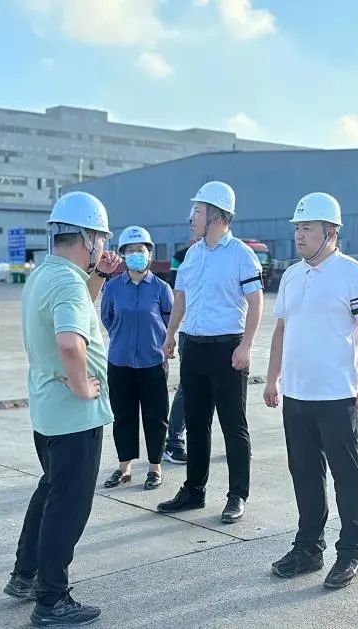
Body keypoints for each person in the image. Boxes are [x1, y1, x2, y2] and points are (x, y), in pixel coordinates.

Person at [4, 191, 120, 626]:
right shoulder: (68, 282)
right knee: (68, 507)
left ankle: (25, 575)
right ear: (88, 238)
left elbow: (76, 309)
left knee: (50, 492)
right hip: (74, 416)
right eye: (101, 239)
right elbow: (70, 342)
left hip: (48, 412)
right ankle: (51, 600)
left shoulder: (45, 275)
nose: (103, 247)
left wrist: (99, 277)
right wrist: (84, 386)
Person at [264, 193, 358, 589]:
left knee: (347, 477)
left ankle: (349, 553)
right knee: (305, 474)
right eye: (297, 228)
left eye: (307, 228)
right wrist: (272, 378)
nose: (299, 235)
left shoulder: (352, 274)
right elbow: (281, 330)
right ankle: (308, 548)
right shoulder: (292, 275)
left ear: (331, 232)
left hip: (338, 396)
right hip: (297, 395)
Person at [156, 181, 264, 524]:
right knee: (196, 423)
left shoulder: (241, 255)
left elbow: (256, 302)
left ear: (216, 215)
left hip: (228, 349)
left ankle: (237, 495)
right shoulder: (192, 255)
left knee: (233, 425)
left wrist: (246, 345)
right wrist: (171, 334)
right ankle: (194, 491)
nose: (192, 218)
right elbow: (181, 298)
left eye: (198, 211)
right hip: (194, 347)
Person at [100, 225, 174, 491]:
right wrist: (123, 337)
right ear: (123, 255)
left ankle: (155, 467)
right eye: (130, 251)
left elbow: (169, 320)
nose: (136, 255)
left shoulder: (161, 288)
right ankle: (124, 467)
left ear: (149, 254)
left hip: (152, 362)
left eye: (140, 250)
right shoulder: (112, 288)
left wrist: (158, 341)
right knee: (123, 416)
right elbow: (107, 318)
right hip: (120, 361)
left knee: (156, 417)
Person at [162, 243, 191, 465]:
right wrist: (171, 332)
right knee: (187, 388)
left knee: (226, 391)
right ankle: (174, 442)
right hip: (191, 333)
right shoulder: (182, 256)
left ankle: (236, 442)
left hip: (225, 335)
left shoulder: (234, 254)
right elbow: (177, 292)